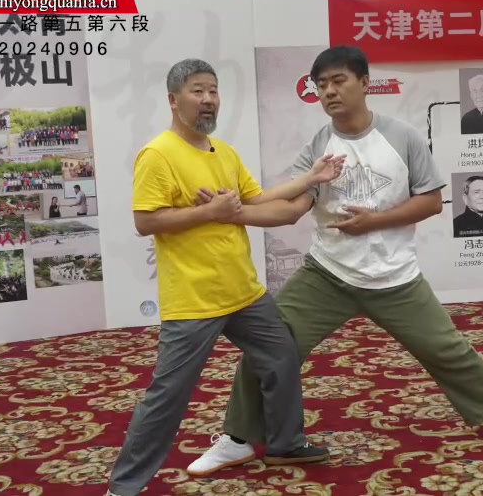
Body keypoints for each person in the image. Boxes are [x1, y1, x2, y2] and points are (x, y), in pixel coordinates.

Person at [187, 45, 483, 476]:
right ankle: (237, 438)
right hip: (327, 274)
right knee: (270, 346)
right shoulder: (319, 145)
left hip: (394, 277)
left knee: (446, 348)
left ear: (365, 83)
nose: (329, 92)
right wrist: (234, 213)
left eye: (339, 81)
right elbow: (292, 208)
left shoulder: (402, 137)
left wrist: (376, 222)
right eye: (321, 85)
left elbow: (431, 202)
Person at [105, 58, 338, 496]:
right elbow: (145, 220)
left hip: (243, 292)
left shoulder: (225, 153)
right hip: (193, 299)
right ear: (173, 100)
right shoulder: (158, 154)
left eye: (213, 90)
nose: (208, 99)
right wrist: (209, 212)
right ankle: (123, 488)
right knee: (169, 395)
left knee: (281, 356)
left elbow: (258, 198)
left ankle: (285, 443)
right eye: (197, 90)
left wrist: (312, 177)